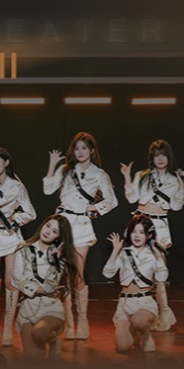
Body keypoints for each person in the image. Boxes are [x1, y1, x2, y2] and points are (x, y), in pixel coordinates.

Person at [44, 132, 118, 339]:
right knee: (63, 274)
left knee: (76, 274)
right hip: (62, 223)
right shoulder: (65, 170)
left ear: (92, 150)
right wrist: (52, 165)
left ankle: (83, 321)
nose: (80, 152)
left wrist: (94, 209)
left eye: (84, 148)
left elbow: (112, 201)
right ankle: (69, 324)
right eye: (77, 148)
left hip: (82, 226)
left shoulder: (100, 174)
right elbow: (48, 189)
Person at [121, 139, 184, 331]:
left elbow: (176, 206)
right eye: (157, 155)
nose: (160, 159)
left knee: (159, 270)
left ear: (169, 157)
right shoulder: (142, 175)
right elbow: (131, 198)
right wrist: (127, 177)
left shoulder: (174, 179)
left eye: (164, 155)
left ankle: (164, 313)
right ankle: (143, 313)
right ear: (152, 157)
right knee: (138, 268)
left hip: (159, 226)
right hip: (140, 223)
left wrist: (181, 185)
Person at [0, 147, 36, 346]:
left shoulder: (17, 186)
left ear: (6, 162)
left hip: (11, 236)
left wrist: (14, 218)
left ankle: (8, 327)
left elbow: (31, 213)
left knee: (11, 282)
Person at [12, 215, 78, 360]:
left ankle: (53, 339)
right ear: (43, 225)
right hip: (28, 306)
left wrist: (54, 264)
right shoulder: (23, 249)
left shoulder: (60, 256)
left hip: (50, 306)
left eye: (55, 231)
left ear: (59, 237)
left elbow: (49, 288)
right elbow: (16, 280)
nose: (48, 231)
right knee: (34, 358)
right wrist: (37, 289)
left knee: (40, 332)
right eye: (48, 226)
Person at [103, 214, 167, 352]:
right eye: (134, 231)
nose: (137, 235)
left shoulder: (152, 254)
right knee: (122, 347)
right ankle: (136, 331)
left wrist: (159, 256)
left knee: (139, 321)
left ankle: (145, 335)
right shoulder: (124, 253)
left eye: (142, 232)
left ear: (149, 235)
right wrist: (115, 251)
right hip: (125, 302)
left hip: (144, 302)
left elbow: (162, 277)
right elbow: (107, 273)